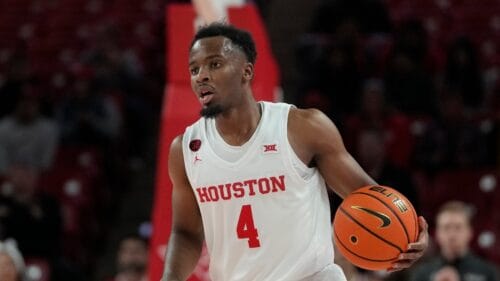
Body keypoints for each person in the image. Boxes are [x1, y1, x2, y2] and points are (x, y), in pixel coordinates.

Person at [161, 23, 429, 281]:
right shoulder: (185, 149)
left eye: (214, 64)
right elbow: (186, 231)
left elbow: (367, 196)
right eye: (194, 69)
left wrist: (410, 232)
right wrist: (170, 277)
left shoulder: (302, 128)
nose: (201, 76)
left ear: (247, 72)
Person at [410, 201, 498, 281]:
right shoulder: (422, 273)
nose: (452, 235)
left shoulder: (488, 272)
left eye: (458, 227)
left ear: (470, 232)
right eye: (446, 227)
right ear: (437, 233)